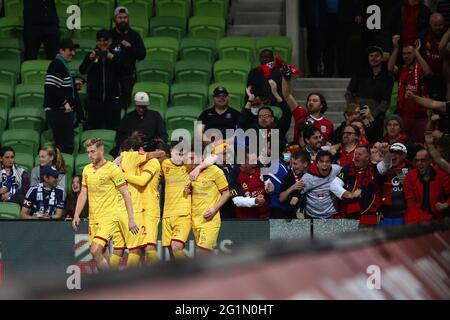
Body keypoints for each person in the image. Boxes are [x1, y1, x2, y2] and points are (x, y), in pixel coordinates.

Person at [72, 138, 139, 271]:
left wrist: (131, 218)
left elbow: (126, 194)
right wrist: (76, 215)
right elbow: (83, 193)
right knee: (102, 253)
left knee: (94, 250)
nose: (90, 155)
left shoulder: (113, 169)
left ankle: (109, 280)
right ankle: (112, 284)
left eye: (93, 151)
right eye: (88, 152)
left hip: (109, 217)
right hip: (94, 218)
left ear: (101, 151)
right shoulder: (86, 170)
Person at [120, 140, 167, 264]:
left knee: (149, 248)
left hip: (151, 209)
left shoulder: (153, 162)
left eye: (140, 151)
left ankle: (159, 280)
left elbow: (142, 181)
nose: (138, 153)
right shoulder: (137, 163)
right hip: (138, 209)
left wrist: (121, 175)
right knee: (136, 249)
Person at [330, 143, 392, 227]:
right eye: (355, 154)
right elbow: (334, 185)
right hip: (349, 216)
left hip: (368, 217)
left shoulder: (374, 168)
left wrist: (387, 153)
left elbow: (386, 165)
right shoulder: (347, 169)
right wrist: (350, 195)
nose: (356, 156)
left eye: (360, 154)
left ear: (367, 157)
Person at [388, 34, 432, 142]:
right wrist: (396, 48)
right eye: (404, 54)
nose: (406, 56)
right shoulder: (401, 69)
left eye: (409, 53)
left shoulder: (420, 68)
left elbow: (429, 73)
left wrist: (417, 53)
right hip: (402, 114)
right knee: (403, 143)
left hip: (419, 115)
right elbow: (390, 69)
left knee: (418, 144)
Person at [345, 46, 394, 141]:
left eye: (377, 56)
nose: (374, 58)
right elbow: (349, 93)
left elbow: (385, 101)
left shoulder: (387, 76)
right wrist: (353, 110)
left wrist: (371, 116)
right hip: (357, 113)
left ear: (382, 58)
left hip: (376, 117)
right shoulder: (360, 72)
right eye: (371, 56)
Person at [79, 29, 123, 131]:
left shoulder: (116, 55)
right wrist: (89, 59)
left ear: (110, 41)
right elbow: (82, 70)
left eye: (105, 40)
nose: (102, 43)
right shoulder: (91, 55)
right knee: (93, 129)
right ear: (96, 41)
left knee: (113, 129)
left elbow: (124, 72)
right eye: (100, 40)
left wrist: (113, 59)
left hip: (112, 100)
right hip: (95, 100)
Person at [44, 38, 79, 154]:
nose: (73, 53)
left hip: (60, 112)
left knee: (65, 145)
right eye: (70, 50)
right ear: (61, 51)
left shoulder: (61, 65)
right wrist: (65, 103)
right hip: (58, 112)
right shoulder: (57, 65)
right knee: (65, 146)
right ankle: (61, 170)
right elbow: (51, 88)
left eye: (74, 50)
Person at [190, 153, 230, 254]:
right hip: (195, 220)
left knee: (201, 253)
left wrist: (214, 209)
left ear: (203, 156)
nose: (192, 160)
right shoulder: (190, 172)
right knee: (205, 256)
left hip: (210, 220)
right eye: (190, 158)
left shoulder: (215, 171)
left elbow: (226, 193)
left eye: (194, 157)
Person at [110, 6, 146, 109]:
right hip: (110, 77)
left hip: (127, 77)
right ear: (115, 19)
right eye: (120, 17)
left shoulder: (134, 35)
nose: (123, 20)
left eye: (125, 17)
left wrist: (130, 47)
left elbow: (142, 55)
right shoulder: (109, 35)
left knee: (125, 106)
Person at [403, 148, 450, 223]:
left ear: (430, 161)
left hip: (438, 218)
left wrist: (446, 204)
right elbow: (410, 201)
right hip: (417, 218)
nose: (419, 163)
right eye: (417, 160)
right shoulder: (410, 176)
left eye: (423, 160)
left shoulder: (441, 175)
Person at [379, 143, 414, 226]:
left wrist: (408, 183)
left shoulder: (412, 171)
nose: (393, 155)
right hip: (383, 215)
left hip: (403, 215)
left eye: (397, 153)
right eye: (391, 152)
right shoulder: (382, 168)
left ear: (404, 155)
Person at [228, 149, 269, 219]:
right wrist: (255, 201)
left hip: (264, 216)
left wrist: (270, 186)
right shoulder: (234, 174)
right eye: (252, 161)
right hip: (246, 219)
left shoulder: (259, 165)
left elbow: (267, 181)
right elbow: (236, 200)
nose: (255, 163)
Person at [300, 150, 341, 219]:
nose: (324, 164)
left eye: (327, 161)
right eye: (321, 161)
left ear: (331, 163)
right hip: (311, 216)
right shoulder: (307, 178)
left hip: (332, 215)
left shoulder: (337, 170)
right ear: (317, 163)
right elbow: (297, 193)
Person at [420, 13, 448, 100]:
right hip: (428, 78)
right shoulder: (423, 36)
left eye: (440, 25)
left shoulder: (447, 35)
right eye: (435, 25)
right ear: (430, 25)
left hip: (445, 78)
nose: (438, 28)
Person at [279, 150, 310, 218]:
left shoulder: (313, 173)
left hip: (314, 213)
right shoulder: (289, 176)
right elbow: (281, 198)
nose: (292, 166)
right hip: (294, 216)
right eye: (292, 163)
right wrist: (293, 187)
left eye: (295, 164)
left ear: (305, 164)